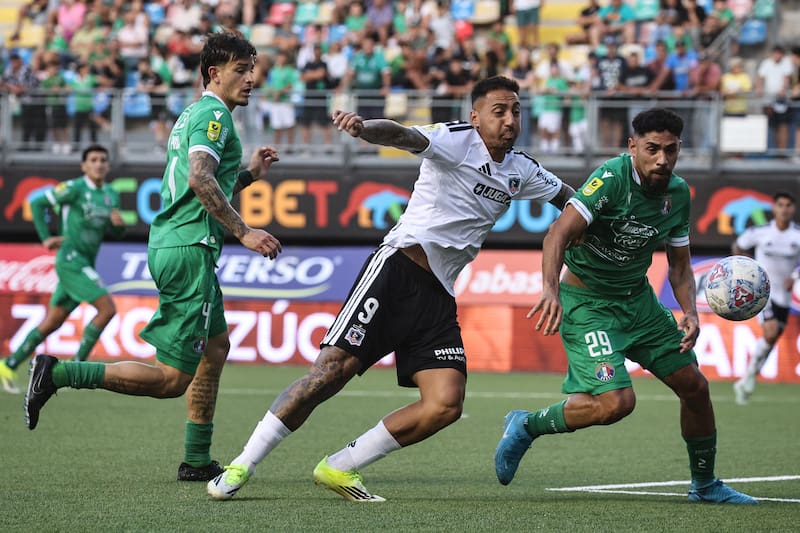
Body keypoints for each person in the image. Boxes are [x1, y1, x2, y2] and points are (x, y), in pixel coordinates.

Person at [206, 75, 575, 502]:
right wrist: (363, 128)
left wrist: (603, 209)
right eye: (499, 111)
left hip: (439, 294)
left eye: (515, 110)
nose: (510, 119)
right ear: (475, 117)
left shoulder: (522, 169)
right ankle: (241, 465)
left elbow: (571, 200)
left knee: (445, 404)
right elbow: (401, 134)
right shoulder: (456, 140)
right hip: (397, 268)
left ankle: (339, 467)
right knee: (330, 372)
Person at [21, 32, 283, 485]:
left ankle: (197, 459)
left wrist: (249, 175)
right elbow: (201, 180)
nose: (250, 78)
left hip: (176, 243)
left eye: (251, 69)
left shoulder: (193, 115)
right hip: (189, 250)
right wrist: (244, 231)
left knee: (216, 347)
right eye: (241, 69)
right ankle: (58, 372)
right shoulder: (215, 115)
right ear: (213, 73)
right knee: (170, 380)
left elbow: (200, 183)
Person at [494, 107, 758, 505]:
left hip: (639, 303)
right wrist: (549, 289)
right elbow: (556, 234)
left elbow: (681, 266)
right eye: (652, 149)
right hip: (588, 305)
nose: (662, 159)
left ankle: (704, 485)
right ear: (633, 146)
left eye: (671, 150)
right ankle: (527, 426)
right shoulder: (611, 179)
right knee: (616, 404)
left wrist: (690, 311)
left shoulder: (678, 194)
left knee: (695, 387)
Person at [0, 145, 124, 394]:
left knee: (52, 322)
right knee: (107, 308)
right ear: (84, 166)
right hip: (70, 259)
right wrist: (46, 237)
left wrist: (119, 226)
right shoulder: (74, 188)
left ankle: (8, 364)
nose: (99, 164)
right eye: (93, 160)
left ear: (108, 166)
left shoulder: (110, 194)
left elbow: (116, 231)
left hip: (86, 263)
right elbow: (36, 202)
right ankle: (76, 368)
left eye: (103, 160)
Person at [732, 192, 800, 405]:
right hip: (762, 291)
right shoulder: (761, 232)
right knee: (770, 332)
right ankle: (748, 379)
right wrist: (747, 267)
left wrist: (796, 275)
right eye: (781, 205)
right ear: (774, 208)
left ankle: (747, 378)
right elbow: (739, 244)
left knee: (770, 340)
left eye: (789, 205)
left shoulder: (797, 235)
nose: (785, 209)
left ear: (793, 209)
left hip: (784, 296)